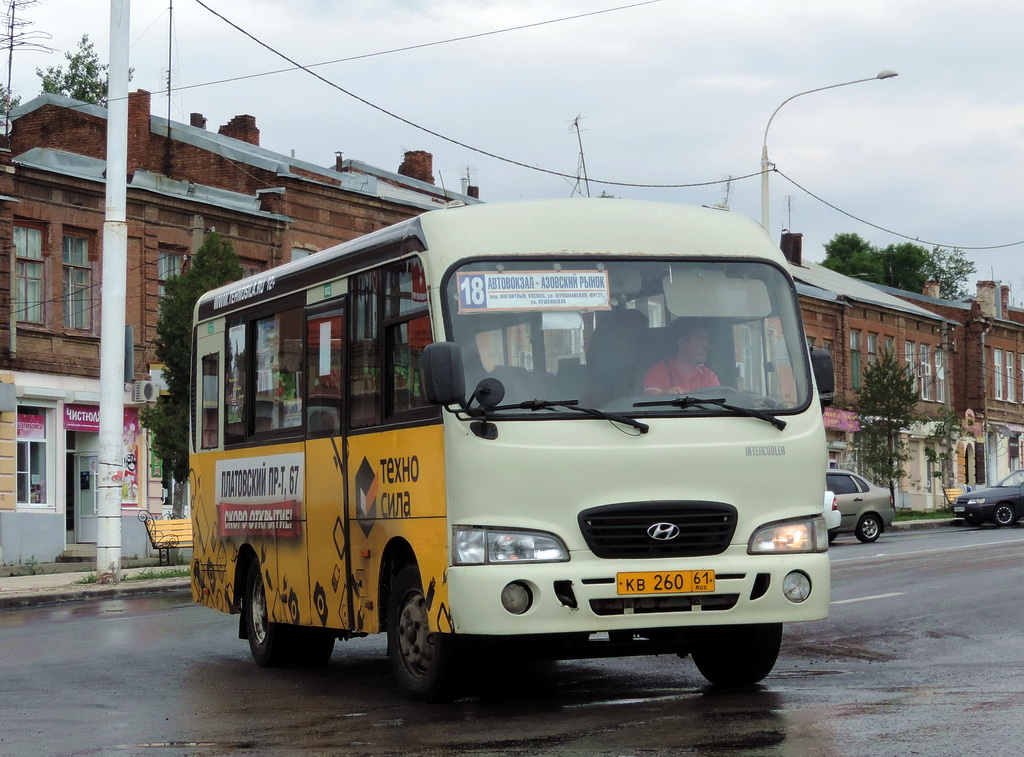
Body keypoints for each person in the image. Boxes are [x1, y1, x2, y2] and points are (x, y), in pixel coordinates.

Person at [643, 320, 720, 395]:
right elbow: (651, 403)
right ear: (682, 343)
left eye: (707, 340)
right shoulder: (658, 372)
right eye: (701, 339)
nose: (708, 346)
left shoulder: (709, 376)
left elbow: (719, 404)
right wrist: (665, 397)